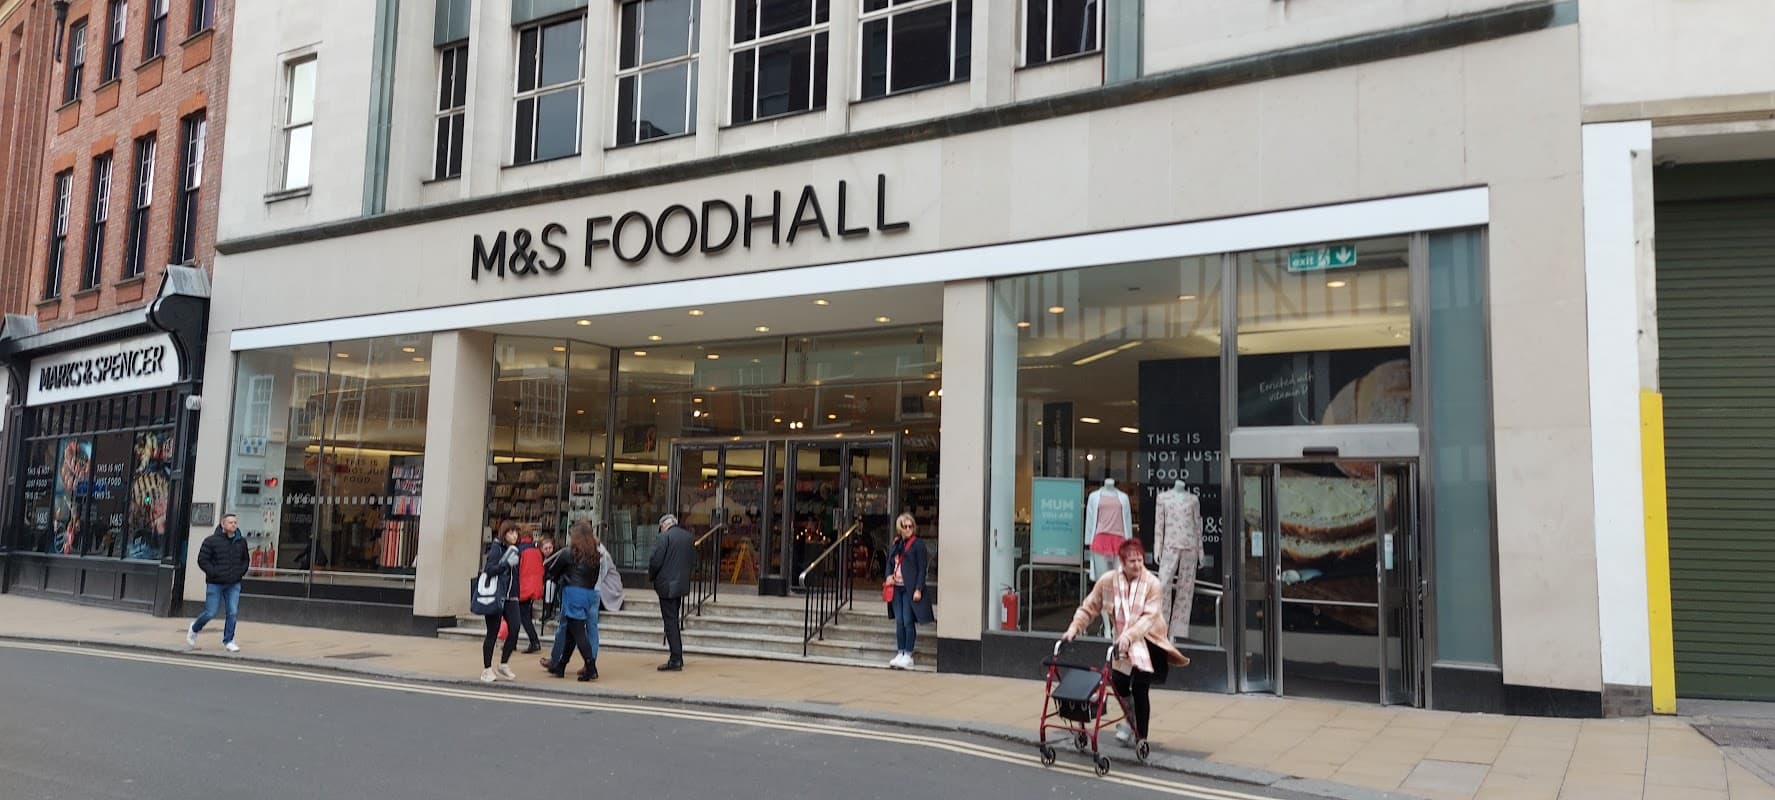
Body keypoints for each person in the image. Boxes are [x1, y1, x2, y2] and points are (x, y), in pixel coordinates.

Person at [1061, 539, 1190, 747]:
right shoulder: (1108, 581)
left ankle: (1141, 738)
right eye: (1132, 561)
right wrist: (1074, 628)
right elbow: (1089, 607)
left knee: (1140, 688)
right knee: (1119, 683)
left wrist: (1129, 637)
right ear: (1122, 562)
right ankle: (1131, 719)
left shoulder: (1153, 584)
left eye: (1140, 560)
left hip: (1149, 643)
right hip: (1122, 643)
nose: (1137, 565)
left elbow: (1148, 618)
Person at [545, 523, 603, 681]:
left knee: (578, 633)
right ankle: (561, 666)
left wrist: (560, 578)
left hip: (573, 593)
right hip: (589, 593)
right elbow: (595, 577)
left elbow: (552, 570)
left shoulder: (568, 553)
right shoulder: (595, 555)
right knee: (571, 632)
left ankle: (591, 667)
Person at [187, 513, 250, 652]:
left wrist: (240, 573)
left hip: (233, 583)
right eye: (230, 522)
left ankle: (229, 640)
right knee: (210, 612)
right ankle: (194, 628)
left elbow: (245, 560)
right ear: (223, 524)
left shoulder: (241, 542)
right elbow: (202, 560)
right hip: (215, 583)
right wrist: (214, 572)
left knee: (232, 612)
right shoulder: (211, 541)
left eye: (235, 522)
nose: (233, 525)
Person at [884, 512, 934, 669]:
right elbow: (890, 562)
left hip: (909, 588)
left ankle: (908, 653)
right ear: (899, 528)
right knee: (899, 621)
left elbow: (922, 569)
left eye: (910, 526)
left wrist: (918, 588)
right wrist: (888, 576)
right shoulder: (896, 543)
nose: (907, 529)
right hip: (896, 587)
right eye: (904, 526)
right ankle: (900, 652)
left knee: (908, 620)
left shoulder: (918, 544)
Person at [647, 514, 693, 672]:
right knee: (673, 619)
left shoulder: (664, 537)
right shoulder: (687, 537)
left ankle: (675, 658)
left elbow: (655, 560)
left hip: (666, 585)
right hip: (680, 584)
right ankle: (677, 655)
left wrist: (652, 576)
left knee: (670, 622)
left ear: (663, 525)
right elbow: (693, 559)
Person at [479, 524, 524, 683]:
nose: (514, 535)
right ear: (504, 534)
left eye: (516, 532)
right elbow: (489, 570)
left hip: (511, 597)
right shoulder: (496, 549)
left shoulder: (515, 550)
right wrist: (505, 564)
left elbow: (514, 576)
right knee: (492, 632)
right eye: (511, 532)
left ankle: (503, 664)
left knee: (515, 628)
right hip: (497, 595)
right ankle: (487, 669)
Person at [515, 527, 544, 653]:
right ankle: (514, 642)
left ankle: (534, 641)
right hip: (534, 586)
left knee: (522, 616)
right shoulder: (536, 551)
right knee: (522, 614)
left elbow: (516, 570)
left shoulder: (519, 550)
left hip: (522, 586)